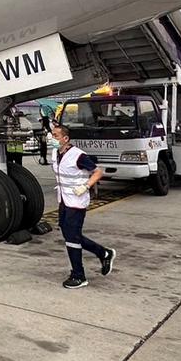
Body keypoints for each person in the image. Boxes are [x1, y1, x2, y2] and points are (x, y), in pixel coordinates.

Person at [50, 122, 115, 288]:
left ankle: (79, 275)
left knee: (72, 238)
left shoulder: (78, 155)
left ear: (65, 138)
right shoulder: (55, 153)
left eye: (56, 135)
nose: (52, 138)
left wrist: (86, 186)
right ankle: (104, 253)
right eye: (52, 135)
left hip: (76, 202)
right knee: (70, 235)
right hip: (64, 200)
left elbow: (98, 172)